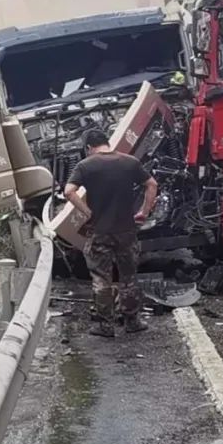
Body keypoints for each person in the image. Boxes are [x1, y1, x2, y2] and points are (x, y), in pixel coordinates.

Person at [64, 128, 158, 337]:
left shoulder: (86, 166)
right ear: (107, 142)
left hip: (100, 232)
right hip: (126, 230)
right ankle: (132, 321)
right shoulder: (129, 162)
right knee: (128, 277)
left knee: (101, 279)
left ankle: (105, 326)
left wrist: (87, 211)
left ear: (89, 148)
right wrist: (144, 211)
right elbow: (151, 184)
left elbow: (68, 191)